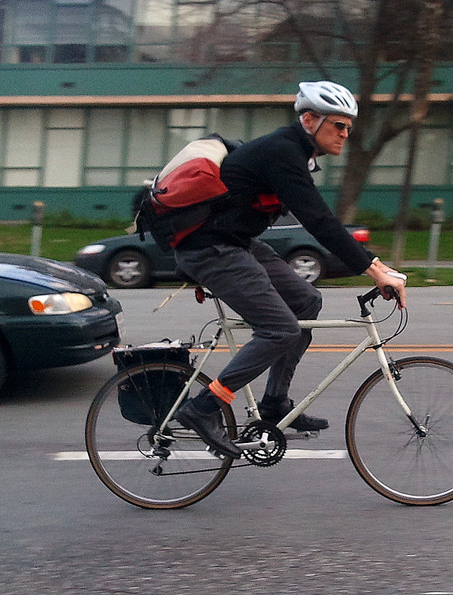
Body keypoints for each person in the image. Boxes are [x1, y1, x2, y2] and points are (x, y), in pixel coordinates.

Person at [171, 81, 408, 458]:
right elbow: (318, 219)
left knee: (306, 301)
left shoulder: (294, 154)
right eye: (338, 126)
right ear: (310, 119)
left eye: (349, 128)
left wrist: (378, 265)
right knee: (279, 329)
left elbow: (319, 219)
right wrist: (373, 270)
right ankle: (203, 408)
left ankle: (274, 402)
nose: (345, 135)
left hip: (235, 243)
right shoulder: (283, 152)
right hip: (209, 249)